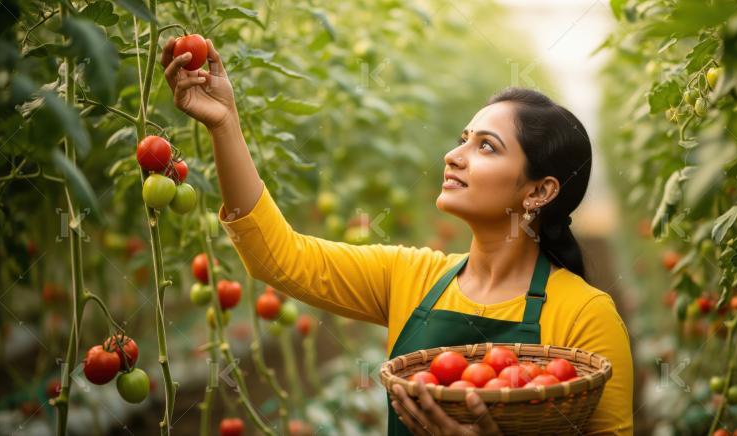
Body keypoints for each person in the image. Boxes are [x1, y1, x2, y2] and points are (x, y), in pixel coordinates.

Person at [161, 37, 633, 435]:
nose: (453, 155)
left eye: (486, 146)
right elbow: (278, 258)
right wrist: (224, 123)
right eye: (462, 137)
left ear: (540, 190)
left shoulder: (585, 316)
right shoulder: (411, 276)